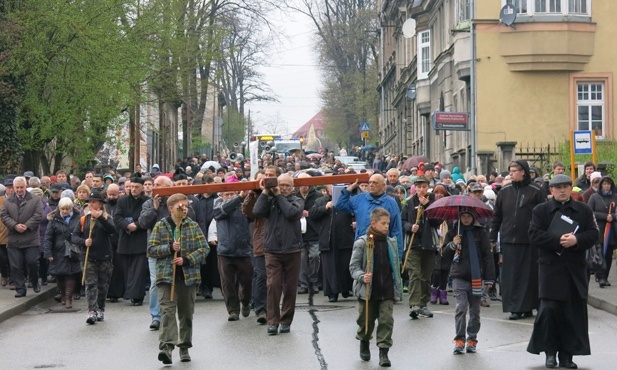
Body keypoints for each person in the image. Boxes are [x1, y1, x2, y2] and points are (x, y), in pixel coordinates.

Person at [527, 175, 598, 369]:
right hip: (550, 269)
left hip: (574, 270)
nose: (562, 190)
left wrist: (577, 241)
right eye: (558, 188)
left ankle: (567, 355)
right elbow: (534, 234)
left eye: (566, 186)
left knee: (572, 314)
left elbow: (593, 233)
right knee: (549, 312)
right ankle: (550, 352)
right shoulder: (541, 210)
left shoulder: (583, 210)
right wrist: (558, 240)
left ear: (571, 188)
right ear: (551, 191)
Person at [148, 193, 208, 364]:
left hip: (188, 276)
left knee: (186, 313)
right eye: (181, 207)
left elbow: (204, 248)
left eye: (187, 207)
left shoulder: (193, 226)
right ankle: (166, 347)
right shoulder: (161, 226)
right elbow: (151, 249)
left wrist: (187, 259)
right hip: (166, 276)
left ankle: (184, 346)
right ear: (171, 208)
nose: (185, 210)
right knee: (167, 312)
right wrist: (168, 248)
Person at [490, 160, 545, 320]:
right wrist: (492, 236)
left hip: (529, 240)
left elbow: (544, 214)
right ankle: (515, 307)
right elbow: (497, 216)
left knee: (528, 276)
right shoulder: (505, 191)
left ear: (524, 172)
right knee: (510, 277)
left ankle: (526, 306)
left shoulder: (536, 191)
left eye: (514, 170)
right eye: (510, 170)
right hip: (508, 240)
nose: (511, 173)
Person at [349, 208, 403, 367]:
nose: (387, 226)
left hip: (386, 288)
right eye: (383, 223)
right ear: (373, 223)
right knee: (366, 321)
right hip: (368, 290)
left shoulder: (390, 243)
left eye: (388, 223)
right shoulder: (363, 243)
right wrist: (361, 276)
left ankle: (384, 351)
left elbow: (394, 266)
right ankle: (364, 340)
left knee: (386, 321)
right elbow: (353, 267)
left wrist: (397, 284)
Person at [252, 173, 304, 335]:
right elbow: (257, 211)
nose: (283, 188)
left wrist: (279, 195)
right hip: (272, 250)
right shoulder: (271, 200)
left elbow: (291, 213)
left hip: (292, 249)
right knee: (273, 286)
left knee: (290, 287)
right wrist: (265, 193)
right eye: (281, 185)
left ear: (293, 187)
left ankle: (286, 320)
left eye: (287, 185)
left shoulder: (297, 201)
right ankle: (272, 321)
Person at [442, 208, 495, 354]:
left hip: (477, 277)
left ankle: (472, 339)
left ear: (473, 217)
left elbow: (487, 256)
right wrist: (453, 244)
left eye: (468, 216)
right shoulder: (454, 232)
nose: (465, 219)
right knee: (461, 308)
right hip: (459, 275)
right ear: (459, 218)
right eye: (463, 216)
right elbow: (444, 254)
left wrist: (490, 278)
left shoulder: (481, 233)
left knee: (475, 311)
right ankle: (459, 340)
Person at [71, 191, 116, 324]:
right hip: (89, 256)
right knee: (91, 284)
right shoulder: (84, 219)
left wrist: (100, 218)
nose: (91, 204)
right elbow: (74, 236)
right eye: (90, 202)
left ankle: (100, 308)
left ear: (101, 204)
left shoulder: (107, 218)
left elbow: (112, 231)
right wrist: (83, 242)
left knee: (103, 285)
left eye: (94, 201)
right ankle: (92, 310)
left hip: (105, 257)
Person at [336, 174, 403, 259]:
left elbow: (396, 229)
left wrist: (398, 256)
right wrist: (349, 188)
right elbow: (340, 205)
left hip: (382, 246)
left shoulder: (391, 203)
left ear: (383, 185)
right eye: (370, 182)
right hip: (362, 245)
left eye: (375, 183)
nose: (371, 185)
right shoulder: (359, 199)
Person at [403, 176, 442, 318]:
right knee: (414, 275)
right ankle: (414, 304)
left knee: (426, 276)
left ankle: (423, 304)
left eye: (424, 186)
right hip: (413, 245)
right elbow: (402, 221)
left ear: (428, 187)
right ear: (415, 187)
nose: (421, 189)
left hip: (429, 244)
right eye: (419, 187)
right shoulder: (408, 203)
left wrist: (427, 208)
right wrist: (409, 227)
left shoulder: (434, 203)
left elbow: (438, 221)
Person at [309, 183, 355, 302]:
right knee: (330, 268)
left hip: (344, 237)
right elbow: (312, 214)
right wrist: (325, 208)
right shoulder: (320, 201)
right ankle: (332, 293)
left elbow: (355, 213)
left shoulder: (347, 199)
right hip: (328, 239)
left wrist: (354, 220)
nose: (332, 188)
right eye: (330, 186)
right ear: (327, 189)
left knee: (345, 265)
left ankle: (345, 289)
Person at [213, 185, 253, 321]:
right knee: (227, 283)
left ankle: (246, 301)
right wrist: (238, 198)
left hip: (243, 250)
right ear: (222, 196)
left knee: (247, 281)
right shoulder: (218, 206)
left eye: (232, 194)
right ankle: (233, 311)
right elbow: (222, 211)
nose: (229, 197)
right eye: (227, 195)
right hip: (225, 251)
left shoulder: (243, 206)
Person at [0, 176, 43, 297]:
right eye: (17, 187)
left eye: (21, 187)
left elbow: (38, 215)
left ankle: (34, 282)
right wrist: (15, 225)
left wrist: (27, 225)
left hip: (31, 237)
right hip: (14, 238)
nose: (19, 190)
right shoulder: (7, 202)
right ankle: (20, 289)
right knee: (16, 265)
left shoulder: (35, 200)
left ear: (26, 187)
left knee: (32, 262)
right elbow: (4, 216)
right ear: (13, 188)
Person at [114, 175, 149, 306]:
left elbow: (148, 217)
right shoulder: (122, 200)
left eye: (137, 187)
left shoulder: (146, 201)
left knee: (139, 270)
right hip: (126, 238)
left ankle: (137, 296)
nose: (134, 189)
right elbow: (117, 217)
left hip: (140, 239)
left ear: (142, 188)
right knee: (127, 270)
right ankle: (128, 293)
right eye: (132, 187)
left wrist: (137, 226)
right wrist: (127, 226)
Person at [45, 198, 82, 308]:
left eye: (67, 209)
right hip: (58, 251)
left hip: (73, 250)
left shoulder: (78, 218)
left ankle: (68, 297)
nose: (65, 211)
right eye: (63, 209)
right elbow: (48, 237)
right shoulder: (54, 220)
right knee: (59, 275)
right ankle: (63, 295)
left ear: (71, 208)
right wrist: (48, 253)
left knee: (71, 274)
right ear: (59, 208)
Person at [587, 176, 617, 288]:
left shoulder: (615, 197)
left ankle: (606, 276)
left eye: (609, 184)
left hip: (611, 231)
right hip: (598, 229)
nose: (606, 186)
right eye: (604, 184)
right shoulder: (594, 197)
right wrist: (605, 216)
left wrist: (612, 216)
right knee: (600, 254)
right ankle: (600, 277)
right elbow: (589, 212)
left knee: (608, 255)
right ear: (600, 185)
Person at [296, 172, 322, 294]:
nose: (304, 186)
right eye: (301, 183)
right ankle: (303, 284)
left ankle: (314, 281)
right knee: (301, 259)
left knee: (315, 257)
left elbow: (320, 212)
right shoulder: (294, 195)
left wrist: (310, 213)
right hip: (298, 233)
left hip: (314, 232)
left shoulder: (317, 195)